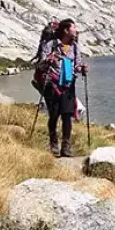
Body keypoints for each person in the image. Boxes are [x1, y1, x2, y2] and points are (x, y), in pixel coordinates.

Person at [36, 19, 89, 157]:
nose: (76, 30)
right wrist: (48, 60)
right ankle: (53, 144)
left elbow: (76, 65)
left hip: (68, 85)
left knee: (67, 115)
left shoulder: (75, 47)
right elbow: (41, 64)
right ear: (66, 30)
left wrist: (81, 68)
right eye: (74, 28)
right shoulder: (50, 45)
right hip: (52, 83)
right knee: (54, 115)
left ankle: (66, 146)